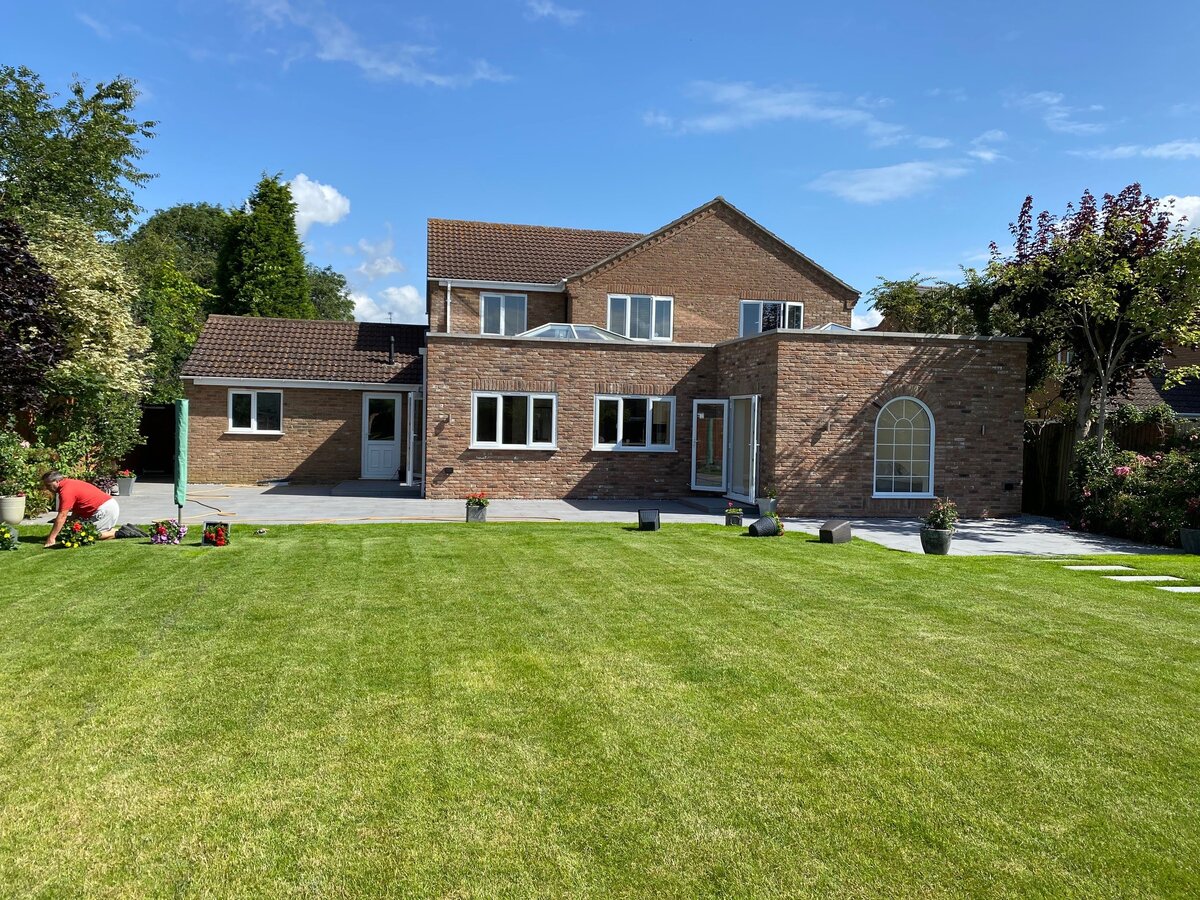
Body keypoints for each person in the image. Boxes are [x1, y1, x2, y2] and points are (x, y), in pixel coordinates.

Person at [41, 472, 120, 547]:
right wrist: (69, 522)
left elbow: (62, 516)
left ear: (57, 481)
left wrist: (51, 538)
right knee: (77, 531)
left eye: (48, 485)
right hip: (107, 507)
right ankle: (115, 530)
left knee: (88, 535)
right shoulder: (69, 483)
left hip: (105, 509)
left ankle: (122, 533)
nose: (47, 488)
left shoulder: (66, 491)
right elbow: (77, 511)